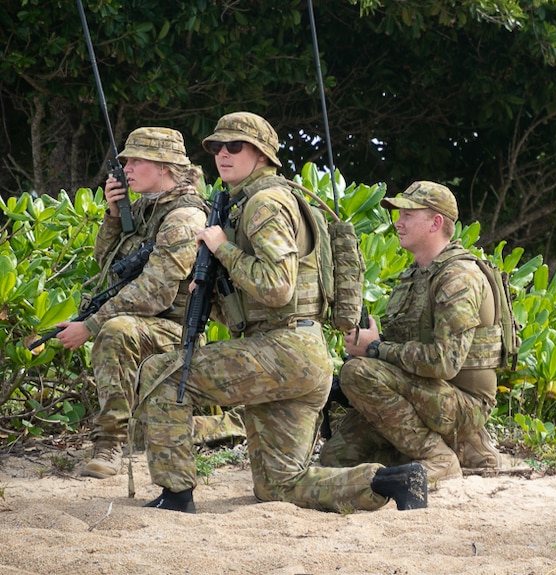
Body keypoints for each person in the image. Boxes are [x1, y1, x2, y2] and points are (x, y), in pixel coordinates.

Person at [136, 111, 427, 513]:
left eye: (235, 146)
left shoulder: (264, 204)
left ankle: (176, 495)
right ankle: (390, 480)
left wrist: (222, 248)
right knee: (280, 486)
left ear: (262, 154)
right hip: (300, 356)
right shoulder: (262, 200)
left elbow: (277, 286)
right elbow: (256, 306)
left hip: (283, 350)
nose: (223, 154)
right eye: (217, 147)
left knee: (161, 374)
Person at [55, 127, 244, 479]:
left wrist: (91, 325)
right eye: (125, 161)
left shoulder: (184, 218)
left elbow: (154, 292)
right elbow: (105, 266)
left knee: (114, 331)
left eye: (137, 161)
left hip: (175, 329)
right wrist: (113, 216)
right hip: (149, 324)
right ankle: (198, 425)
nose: (126, 168)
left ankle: (109, 444)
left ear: (164, 167)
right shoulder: (144, 209)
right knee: (149, 422)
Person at [318, 180, 504, 483]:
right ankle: (464, 448)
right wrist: (365, 344)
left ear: (436, 222)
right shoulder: (413, 275)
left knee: (360, 373)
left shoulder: (458, 277)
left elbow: (444, 362)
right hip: (424, 395)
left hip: (463, 403)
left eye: (408, 214)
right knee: (335, 459)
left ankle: (439, 457)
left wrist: (376, 349)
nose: (398, 222)